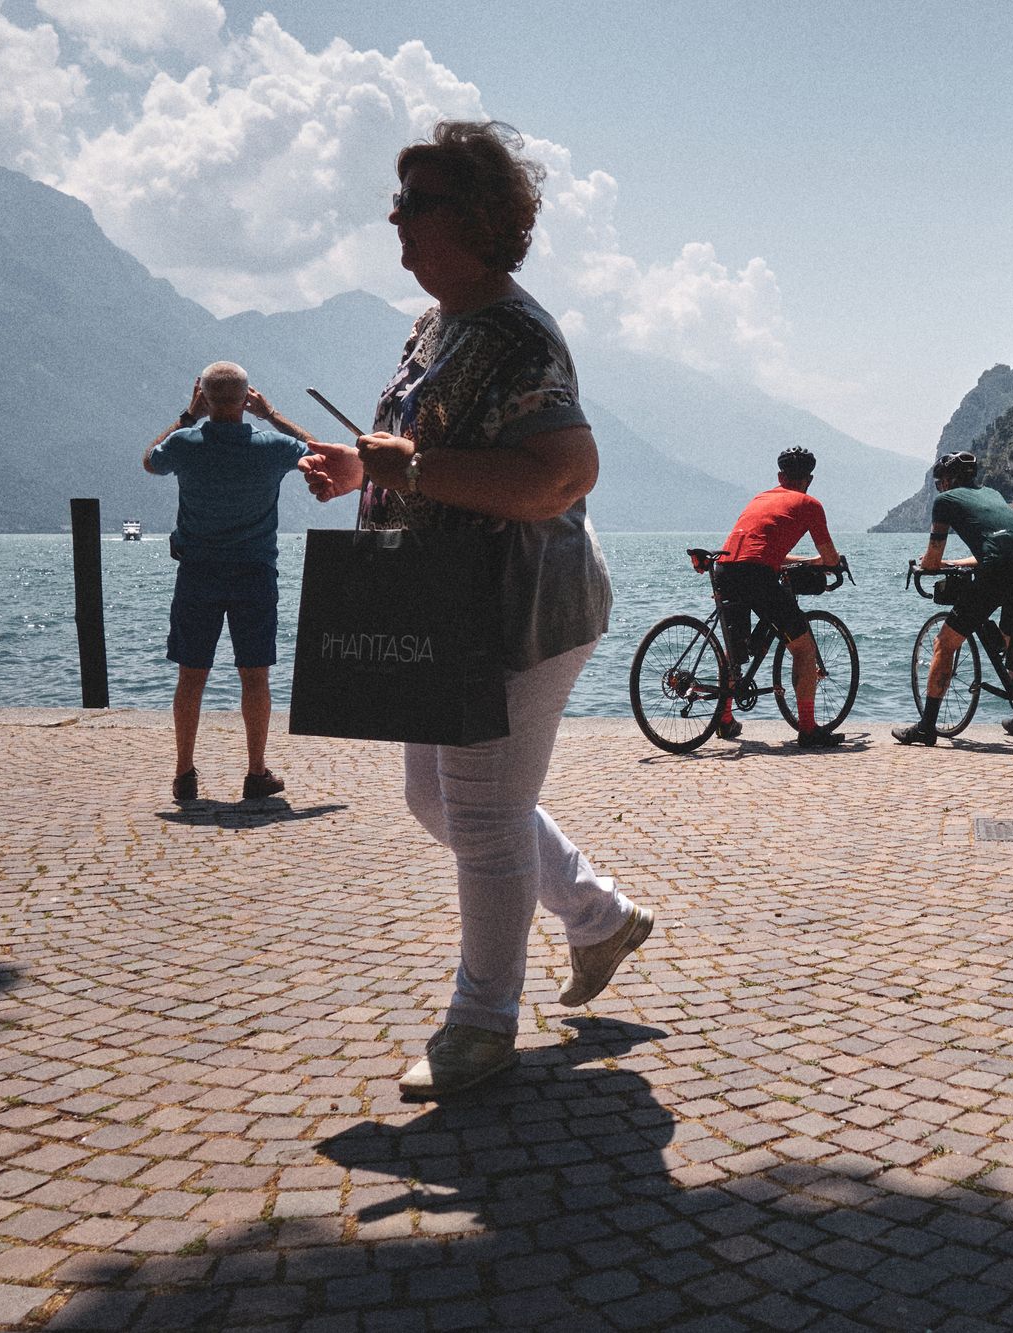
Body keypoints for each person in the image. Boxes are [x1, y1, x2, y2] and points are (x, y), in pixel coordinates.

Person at [298, 120, 652, 1102]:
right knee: (436, 799)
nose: (395, 217)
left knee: (484, 813)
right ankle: (598, 917)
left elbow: (563, 474)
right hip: (442, 602)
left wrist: (413, 468)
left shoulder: (515, 335)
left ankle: (481, 1023)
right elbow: (425, 451)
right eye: (397, 199)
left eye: (416, 201)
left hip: (518, 609)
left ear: (480, 218)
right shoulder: (437, 324)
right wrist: (359, 470)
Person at [143, 362, 315, 802]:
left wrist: (188, 415)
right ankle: (256, 773)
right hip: (254, 574)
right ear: (246, 399)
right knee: (254, 676)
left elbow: (149, 461)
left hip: (197, 573)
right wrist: (271, 414)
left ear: (202, 395)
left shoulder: (184, 444)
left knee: (191, 675)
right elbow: (319, 451)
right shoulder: (272, 447)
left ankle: (184, 773)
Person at [893, 450, 1013, 746]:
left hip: (997, 568)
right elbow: (998, 546)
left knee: (945, 643)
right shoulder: (992, 493)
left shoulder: (945, 501)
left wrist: (928, 565)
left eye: (939, 483)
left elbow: (933, 559)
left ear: (948, 481)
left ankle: (926, 727)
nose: (939, 488)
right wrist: (957, 563)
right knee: (1011, 643)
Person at [710, 446, 846, 747]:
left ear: (780, 477)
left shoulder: (761, 498)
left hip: (724, 567)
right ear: (809, 479)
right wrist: (830, 564)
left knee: (734, 650)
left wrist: (809, 561)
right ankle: (808, 729)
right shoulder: (809, 504)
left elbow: (764, 551)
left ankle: (725, 719)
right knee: (804, 649)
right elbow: (829, 557)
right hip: (757, 575)